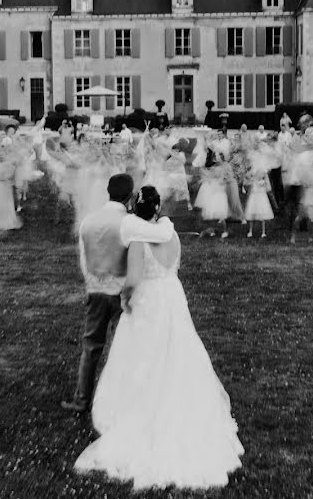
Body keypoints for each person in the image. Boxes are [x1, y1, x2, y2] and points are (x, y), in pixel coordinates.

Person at [73, 186, 244, 490]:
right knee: (177, 347)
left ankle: (140, 404)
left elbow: (134, 278)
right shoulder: (172, 234)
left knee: (143, 353)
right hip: (172, 295)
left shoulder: (140, 239)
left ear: (134, 209)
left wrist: (125, 298)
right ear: (157, 208)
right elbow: (173, 265)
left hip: (149, 298)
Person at [62, 174, 175, 414]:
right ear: (129, 196)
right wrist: (164, 217)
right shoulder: (128, 222)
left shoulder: (87, 221)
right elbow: (163, 235)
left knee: (91, 346)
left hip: (95, 290)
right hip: (122, 293)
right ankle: (123, 400)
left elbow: (84, 258)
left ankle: (82, 399)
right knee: (124, 348)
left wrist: (92, 283)